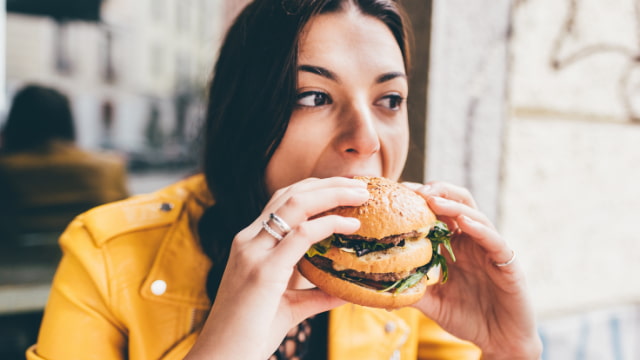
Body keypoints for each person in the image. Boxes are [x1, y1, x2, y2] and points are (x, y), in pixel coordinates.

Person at [26, 1, 543, 359]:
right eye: (314, 96)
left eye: (389, 100)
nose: (365, 139)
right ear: (246, 113)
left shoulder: (406, 278)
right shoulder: (105, 253)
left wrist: (508, 352)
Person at [0, 84, 129, 243]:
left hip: (11, 265)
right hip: (88, 263)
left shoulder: (7, 169)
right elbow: (124, 224)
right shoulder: (110, 167)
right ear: (68, 120)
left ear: (16, 122)